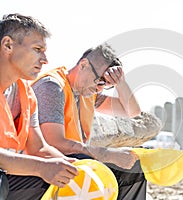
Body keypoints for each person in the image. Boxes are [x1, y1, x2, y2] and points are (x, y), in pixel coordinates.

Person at [32, 44, 147, 200]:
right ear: (83, 65)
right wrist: (107, 155)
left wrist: (121, 83)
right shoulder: (52, 87)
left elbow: (132, 111)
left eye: (106, 85)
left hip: (75, 160)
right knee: (104, 163)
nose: (99, 88)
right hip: (44, 167)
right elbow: (54, 142)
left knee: (133, 167)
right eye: (99, 80)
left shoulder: (89, 94)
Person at [0, 13, 79, 200]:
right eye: (38, 49)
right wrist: (41, 168)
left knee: (65, 179)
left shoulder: (27, 94)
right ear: (7, 45)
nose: (45, 60)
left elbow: (39, 149)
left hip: (7, 176)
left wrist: (72, 167)